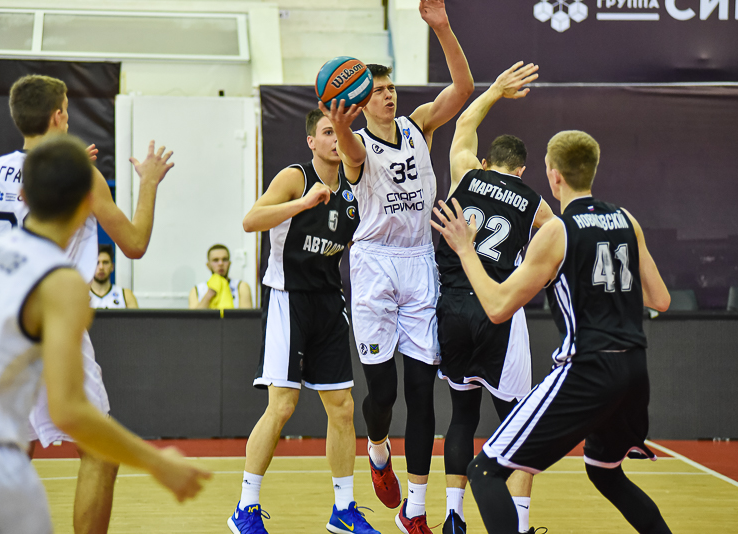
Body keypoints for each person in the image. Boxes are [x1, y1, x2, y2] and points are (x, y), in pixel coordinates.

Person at [432, 130, 672, 534]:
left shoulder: (559, 232)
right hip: (634, 370)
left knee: (484, 472)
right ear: (592, 169)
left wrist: (466, 250)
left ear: (553, 175)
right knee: (605, 472)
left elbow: (497, 307)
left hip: (587, 369)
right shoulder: (626, 220)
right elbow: (660, 299)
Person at [0, 135, 211, 533]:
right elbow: (70, 411)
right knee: (99, 452)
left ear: (23, 197)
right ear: (88, 204)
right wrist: (157, 462)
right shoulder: (59, 283)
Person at [321, 1, 474, 531]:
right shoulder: (357, 145)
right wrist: (338, 123)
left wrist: (443, 28)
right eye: (379, 90)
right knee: (382, 394)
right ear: (362, 102)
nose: (389, 95)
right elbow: (347, 148)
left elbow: (462, 88)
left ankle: (415, 508)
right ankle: (378, 446)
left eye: (391, 88)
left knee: (422, 390)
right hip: (374, 267)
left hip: (419, 261)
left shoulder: (418, 126)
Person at [227, 109, 377, 534]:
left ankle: (343, 509)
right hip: (288, 298)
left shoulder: (355, 190)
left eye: (339, 132)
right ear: (311, 141)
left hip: (329, 303)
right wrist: (302, 203)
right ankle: (245, 507)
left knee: (343, 408)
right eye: (327, 132)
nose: (335, 139)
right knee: (282, 406)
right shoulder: (295, 177)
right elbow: (251, 221)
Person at [436, 62, 553, 534]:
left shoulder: (466, 173)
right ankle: (518, 526)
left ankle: (453, 517)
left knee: (462, 416)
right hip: (497, 309)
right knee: (518, 422)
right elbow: (556, 244)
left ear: (486, 162)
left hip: (451, 307)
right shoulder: (534, 203)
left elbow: (465, 122)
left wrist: (496, 91)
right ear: (522, 170)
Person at [188, 244, 253, 309]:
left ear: (229, 264)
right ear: (208, 265)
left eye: (224, 259)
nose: (220, 263)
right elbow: (194, 315)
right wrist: (209, 294)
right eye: (215, 260)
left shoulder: (241, 286)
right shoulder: (197, 290)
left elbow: (246, 315)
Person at [90, 244, 139, 309]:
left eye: (105, 262)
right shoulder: (81, 296)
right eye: (97, 263)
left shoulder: (125, 295)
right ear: (90, 266)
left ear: (112, 267)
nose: (101, 267)